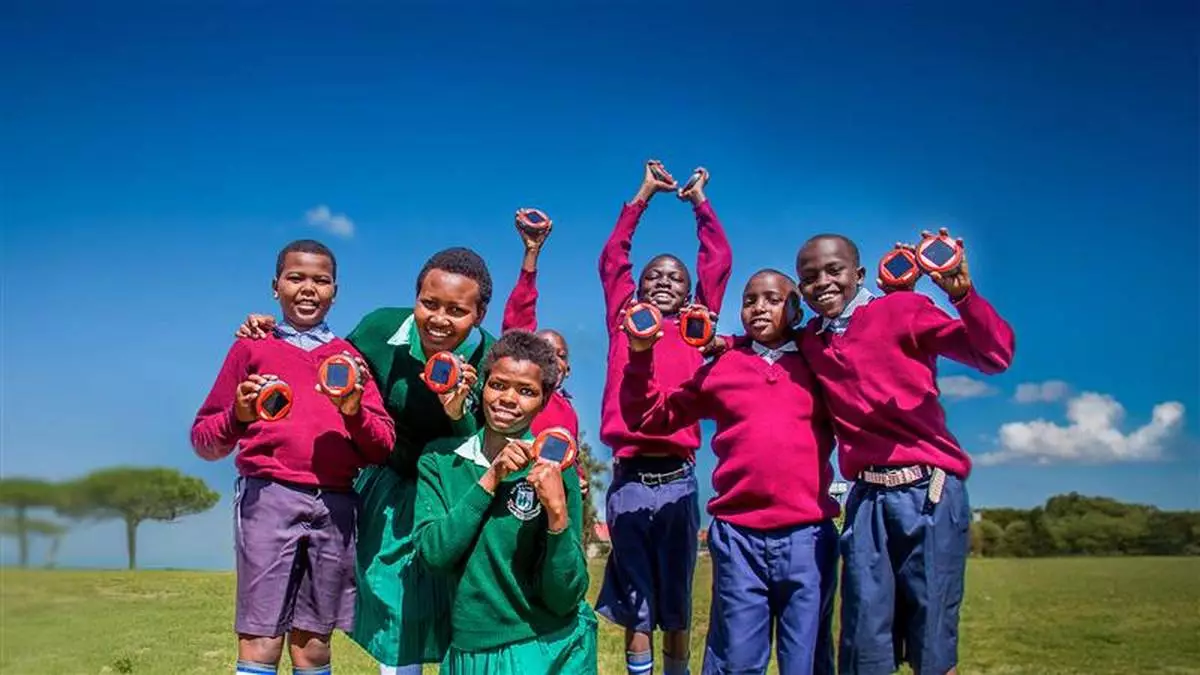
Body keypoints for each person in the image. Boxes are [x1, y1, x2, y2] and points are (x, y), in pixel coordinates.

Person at [233, 247, 498, 675]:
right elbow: (324, 363)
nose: (439, 319)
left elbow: (486, 445)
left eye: (457, 310)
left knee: (461, 601)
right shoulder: (379, 330)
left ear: (480, 314)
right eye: (429, 303)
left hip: (455, 489)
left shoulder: (491, 360)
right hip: (390, 481)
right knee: (393, 599)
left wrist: (458, 414)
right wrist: (273, 332)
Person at [794, 229, 1015, 675]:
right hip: (866, 501)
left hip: (928, 492)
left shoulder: (902, 309)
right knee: (863, 642)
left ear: (858, 274)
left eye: (834, 271)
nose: (823, 283)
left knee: (932, 641)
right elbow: (761, 349)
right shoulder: (811, 341)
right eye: (810, 277)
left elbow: (994, 355)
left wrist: (962, 295)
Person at [192, 239, 396, 675]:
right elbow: (205, 440)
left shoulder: (350, 360)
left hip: (336, 506)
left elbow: (382, 445)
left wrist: (354, 411)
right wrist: (238, 415)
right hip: (269, 497)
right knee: (261, 637)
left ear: (335, 291)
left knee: (314, 644)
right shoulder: (251, 349)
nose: (308, 288)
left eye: (321, 280)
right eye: (295, 277)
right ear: (275, 287)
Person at [621, 269, 839, 675]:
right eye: (750, 300)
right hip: (739, 537)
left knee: (805, 659)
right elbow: (649, 417)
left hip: (808, 536)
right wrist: (639, 354)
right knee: (736, 659)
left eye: (773, 299)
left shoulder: (819, 362)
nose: (759, 308)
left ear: (796, 310)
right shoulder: (724, 368)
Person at [596, 160, 733, 675]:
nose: (663, 282)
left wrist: (700, 203)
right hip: (630, 478)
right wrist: (643, 196)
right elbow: (613, 258)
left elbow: (718, 261)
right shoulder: (625, 319)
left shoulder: (699, 324)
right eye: (653, 276)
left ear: (689, 290)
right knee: (637, 599)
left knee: (676, 598)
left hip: (678, 479)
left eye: (675, 278)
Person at [413, 330, 596, 674]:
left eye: (526, 391)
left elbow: (564, 596)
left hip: (542, 647)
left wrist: (557, 515)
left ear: (545, 401)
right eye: (498, 385)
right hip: (468, 648)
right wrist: (490, 479)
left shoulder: (554, 469)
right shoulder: (440, 461)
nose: (508, 399)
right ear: (482, 386)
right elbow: (434, 555)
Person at [501, 209, 589, 496]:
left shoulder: (567, 412)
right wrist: (532, 253)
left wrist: (579, 479)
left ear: (568, 369)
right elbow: (519, 320)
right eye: (543, 351)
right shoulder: (514, 397)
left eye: (560, 355)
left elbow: (570, 457)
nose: (552, 358)